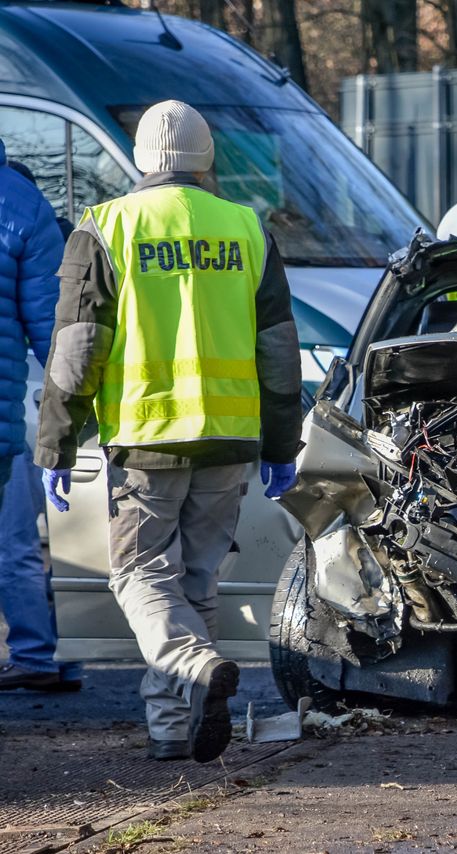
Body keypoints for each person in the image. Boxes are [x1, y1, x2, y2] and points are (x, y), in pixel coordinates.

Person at [35, 101, 303, 763]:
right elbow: (279, 350)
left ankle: (193, 664)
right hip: (230, 440)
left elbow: (78, 348)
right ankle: (172, 731)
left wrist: (57, 441)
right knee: (194, 584)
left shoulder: (108, 227)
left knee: (138, 576)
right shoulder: (248, 228)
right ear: (207, 159)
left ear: (142, 160)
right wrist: (280, 443)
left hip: (147, 436)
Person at [0, 138, 81, 692]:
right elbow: (57, 338)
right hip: (14, 420)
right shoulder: (27, 210)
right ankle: (46, 652)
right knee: (16, 544)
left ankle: (40, 654)